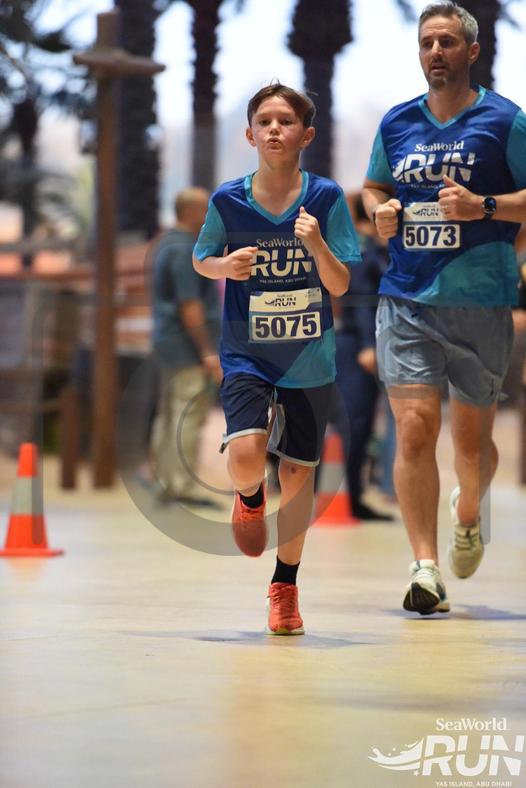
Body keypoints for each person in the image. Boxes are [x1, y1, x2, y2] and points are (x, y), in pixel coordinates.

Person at [362, 1, 526, 615]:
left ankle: (468, 511)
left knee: (472, 447)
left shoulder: (505, 120)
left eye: (448, 42)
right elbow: (374, 185)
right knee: (412, 429)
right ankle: (425, 567)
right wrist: (379, 210)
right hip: (407, 298)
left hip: (481, 300)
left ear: (471, 51)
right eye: (428, 41)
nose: (436, 51)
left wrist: (484, 207)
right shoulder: (397, 122)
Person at [193, 83, 361, 635]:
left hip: (308, 357)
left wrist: (317, 245)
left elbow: (340, 283)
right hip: (248, 352)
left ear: (305, 135)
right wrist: (225, 267)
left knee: (297, 472)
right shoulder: (228, 200)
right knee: (246, 455)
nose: (274, 129)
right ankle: (248, 497)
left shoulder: (326, 199)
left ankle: (285, 586)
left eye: (286, 121)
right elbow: (201, 259)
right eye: (264, 121)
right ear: (249, 135)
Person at [150, 187, 223, 507]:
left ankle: (166, 481)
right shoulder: (184, 250)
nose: (210, 216)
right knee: (187, 414)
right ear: (191, 211)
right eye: (206, 209)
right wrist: (207, 349)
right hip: (186, 346)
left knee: (168, 414)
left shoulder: (165, 243)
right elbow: (189, 304)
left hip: (168, 343)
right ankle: (182, 484)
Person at [333, 194, 394, 521]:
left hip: (366, 342)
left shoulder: (370, 246)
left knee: (364, 423)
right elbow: (358, 298)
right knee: (354, 424)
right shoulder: (358, 247)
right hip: (356, 344)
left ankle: (354, 497)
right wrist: (367, 345)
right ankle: (346, 499)